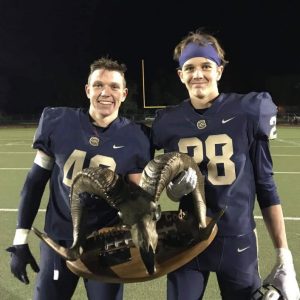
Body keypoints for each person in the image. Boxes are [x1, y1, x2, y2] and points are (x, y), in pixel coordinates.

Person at [151, 30, 300, 300]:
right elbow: (143, 170)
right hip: (187, 239)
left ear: (219, 71)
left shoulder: (248, 111)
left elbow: (266, 186)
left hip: (237, 240)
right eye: (190, 68)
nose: (198, 74)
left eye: (206, 66)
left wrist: (284, 255)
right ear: (180, 75)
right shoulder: (167, 122)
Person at [6, 57, 155, 300]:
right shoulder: (59, 122)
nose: (105, 92)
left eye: (114, 86)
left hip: (108, 242)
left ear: (124, 93)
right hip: (59, 239)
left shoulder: (137, 137)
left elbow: (136, 198)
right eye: (98, 85)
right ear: (88, 90)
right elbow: (34, 183)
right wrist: (20, 240)